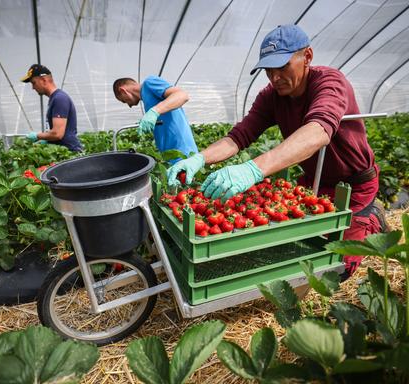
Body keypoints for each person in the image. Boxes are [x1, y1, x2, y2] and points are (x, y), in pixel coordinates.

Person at [166, 24, 388, 279]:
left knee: (336, 271)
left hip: (354, 185)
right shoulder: (272, 96)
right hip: (312, 183)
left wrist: (253, 168)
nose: (274, 77)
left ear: (307, 57)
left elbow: (318, 131)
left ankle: (371, 221)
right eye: (268, 70)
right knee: (300, 254)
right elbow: (239, 136)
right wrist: (200, 158)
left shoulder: (329, 82)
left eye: (282, 67)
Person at [113, 76, 198, 160]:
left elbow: (182, 95)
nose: (129, 105)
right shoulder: (146, 98)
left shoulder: (149, 83)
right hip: (170, 155)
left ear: (123, 90)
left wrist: (155, 111)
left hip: (182, 152)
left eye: (124, 101)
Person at [21, 64, 83, 152]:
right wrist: (46, 139)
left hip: (69, 153)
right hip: (63, 151)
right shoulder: (54, 98)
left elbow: (57, 134)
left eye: (34, 83)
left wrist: (37, 136)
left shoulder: (59, 98)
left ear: (43, 80)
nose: (33, 87)